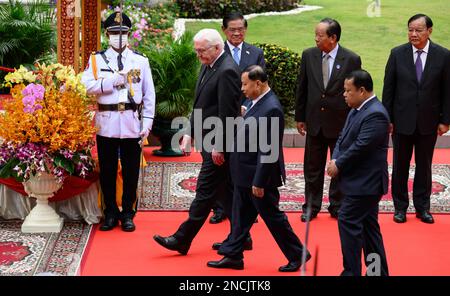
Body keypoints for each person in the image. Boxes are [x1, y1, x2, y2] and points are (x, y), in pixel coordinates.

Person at [207, 65, 310, 272]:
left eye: (245, 84)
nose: (242, 88)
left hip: (257, 177)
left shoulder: (271, 108)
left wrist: (259, 181)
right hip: (245, 173)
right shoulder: (255, 103)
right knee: (240, 214)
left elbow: (269, 149)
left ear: (259, 83)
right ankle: (233, 254)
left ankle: (298, 254)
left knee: (272, 217)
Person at [153, 29, 241, 254]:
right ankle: (242, 236)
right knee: (224, 192)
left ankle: (182, 238)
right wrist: (190, 133)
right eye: (197, 51)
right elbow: (200, 103)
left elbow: (227, 114)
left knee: (205, 190)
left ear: (217, 48)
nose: (198, 55)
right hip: (206, 141)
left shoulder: (227, 70)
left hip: (218, 145)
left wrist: (220, 145)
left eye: (202, 51)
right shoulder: (207, 65)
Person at [82, 12, 155, 232]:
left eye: (122, 33)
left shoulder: (140, 61)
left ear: (128, 35)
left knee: (132, 170)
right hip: (107, 122)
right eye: (114, 33)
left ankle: (128, 213)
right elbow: (86, 86)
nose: (118, 37)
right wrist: (111, 81)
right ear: (107, 34)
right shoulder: (96, 60)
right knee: (108, 170)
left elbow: (149, 94)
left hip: (132, 122)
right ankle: (110, 212)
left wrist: (147, 124)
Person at [382, 14, 450, 224]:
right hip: (401, 122)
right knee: (400, 166)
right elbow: (389, 91)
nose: (413, 34)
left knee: (424, 166)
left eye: (418, 30)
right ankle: (400, 208)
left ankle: (423, 208)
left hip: (429, 122)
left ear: (429, 31)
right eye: (410, 29)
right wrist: (387, 119)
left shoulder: (443, 55)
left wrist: (445, 120)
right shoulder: (397, 54)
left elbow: (447, 91)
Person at [295, 18, 361, 222]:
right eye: (315, 34)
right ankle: (311, 206)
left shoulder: (351, 59)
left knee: (339, 166)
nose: (316, 38)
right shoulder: (309, 55)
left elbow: (356, 93)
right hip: (314, 122)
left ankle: (338, 206)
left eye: (320, 35)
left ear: (333, 38)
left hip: (340, 123)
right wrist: (300, 117)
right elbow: (302, 87)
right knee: (312, 168)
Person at [327, 70, 389, 276]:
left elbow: (361, 147)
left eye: (348, 91)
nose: (344, 94)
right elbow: (343, 138)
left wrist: (339, 164)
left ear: (361, 90)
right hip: (358, 182)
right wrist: (335, 158)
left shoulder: (376, 114)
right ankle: (377, 272)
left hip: (366, 184)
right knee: (369, 231)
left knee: (347, 220)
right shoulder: (357, 108)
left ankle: (350, 272)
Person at [209, 11, 267, 224]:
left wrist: (246, 107)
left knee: (244, 163)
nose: (237, 33)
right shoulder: (215, 52)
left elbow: (260, 84)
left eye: (241, 29)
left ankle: (248, 209)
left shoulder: (255, 53)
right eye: (232, 29)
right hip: (221, 118)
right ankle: (220, 208)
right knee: (219, 164)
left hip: (248, 117)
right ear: (224, 30)